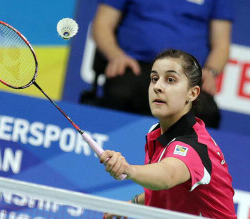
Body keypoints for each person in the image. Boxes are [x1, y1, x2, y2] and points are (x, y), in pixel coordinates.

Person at [100, 49, 236, 219]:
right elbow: (168, 191)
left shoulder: (195, 146)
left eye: (170, 80)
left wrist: (129, 170)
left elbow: (168, 175)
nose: (157, 87)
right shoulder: (155, 133)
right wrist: (132, 204)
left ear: (192, 93)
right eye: (154, 79)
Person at [92, 0, 233, 128]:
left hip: (185, 74)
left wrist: (211, 71)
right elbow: (102, 24)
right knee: (120, 95)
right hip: (135, 66)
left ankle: (184, 156)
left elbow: (221, 44)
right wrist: (116, 56)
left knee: (207, 111)